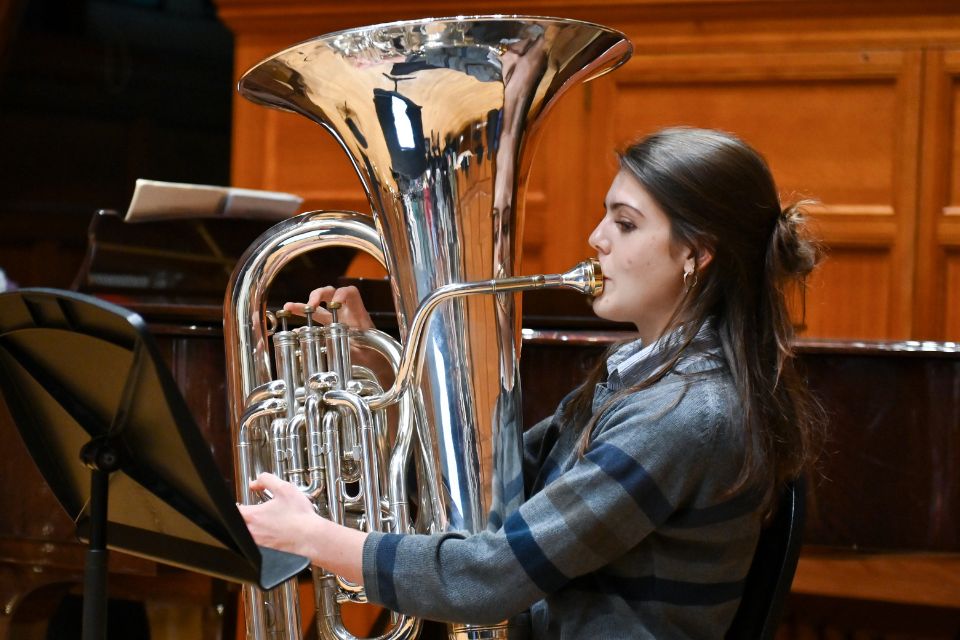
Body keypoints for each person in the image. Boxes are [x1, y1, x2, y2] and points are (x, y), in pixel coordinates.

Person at [238, 126, 823, 638]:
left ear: (696, 254)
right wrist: (375, 370)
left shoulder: (681, 413)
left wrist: (315, 538)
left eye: (625, 224)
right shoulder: (645, 378)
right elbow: (484, 490)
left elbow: (493, 576)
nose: (596, 238)